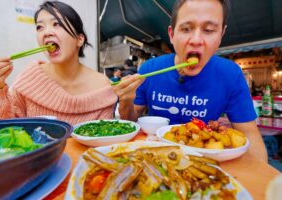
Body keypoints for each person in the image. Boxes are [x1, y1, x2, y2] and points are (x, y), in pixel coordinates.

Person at [113, 0, 267, 161]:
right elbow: (131, 121)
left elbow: (249, 132)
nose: (196, 40)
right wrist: (125, 100)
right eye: (186, 29)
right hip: (154, 156)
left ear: (221, 34)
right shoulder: (150, 69)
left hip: (206, 160)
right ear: (172, 35)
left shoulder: (231, 74)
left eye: (208, 30)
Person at [0, 1, 117, 125]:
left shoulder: (102, 86)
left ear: (79, 39)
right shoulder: (29, 79)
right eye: (40, 27)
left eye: (56, 24)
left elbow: (104, 140)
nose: (46, 32)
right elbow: (4, 130)